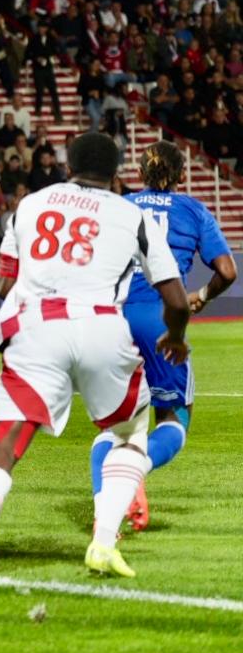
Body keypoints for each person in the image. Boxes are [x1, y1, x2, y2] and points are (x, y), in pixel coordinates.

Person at [0, 132, 188, 593]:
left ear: (68, 166)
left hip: (34, 327)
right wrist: (178, 339)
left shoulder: (30, 205)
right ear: (115, 174)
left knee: (4, 440)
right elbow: (176, 299)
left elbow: (6, 284)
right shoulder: (133, 215)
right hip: (101, 328)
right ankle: (104, 542)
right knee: (129, 433)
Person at [89, 142, 234, 529]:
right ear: (182, 175)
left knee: (113, 425)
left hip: (111, 320)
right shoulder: (194, 210)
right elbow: (227, 271)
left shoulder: (116, 206)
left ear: (139, 174)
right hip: (160, 320)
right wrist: (200, 297)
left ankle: (105, 508)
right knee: (174, 417)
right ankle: (133, 472)